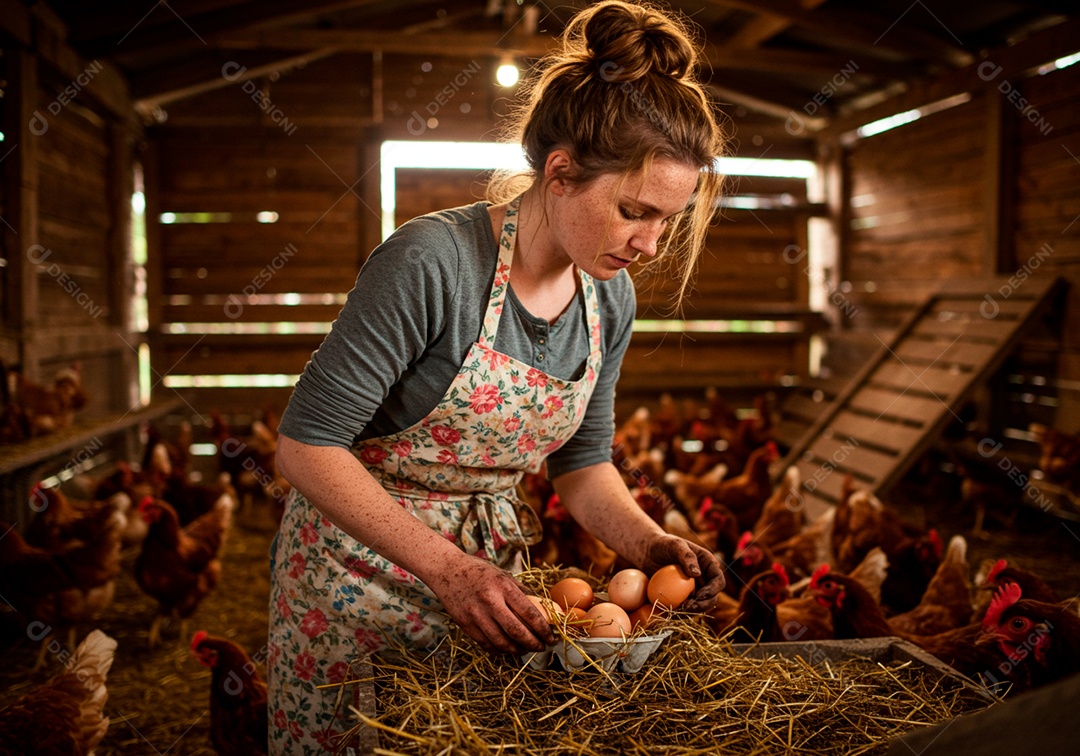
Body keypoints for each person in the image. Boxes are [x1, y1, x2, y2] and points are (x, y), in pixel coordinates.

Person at [267, 1, 727, 751]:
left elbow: (582, 466)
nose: (650, 243)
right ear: (562, 172)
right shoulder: (434, 263)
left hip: (493, 588)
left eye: (668, 220)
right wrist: (449, 570)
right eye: (635, 210)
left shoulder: (610, 295)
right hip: (356, 576)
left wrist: (648, 545)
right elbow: (306, 447)